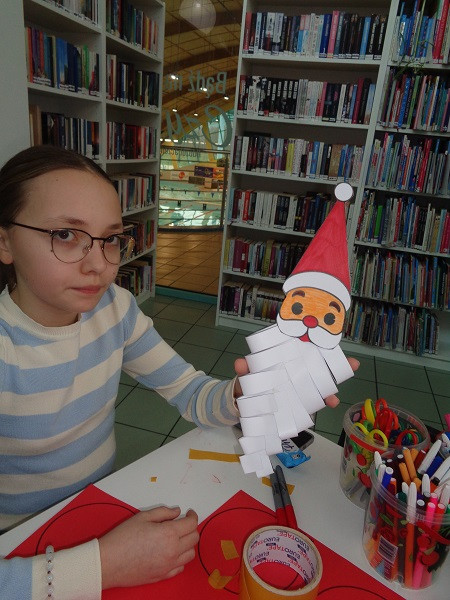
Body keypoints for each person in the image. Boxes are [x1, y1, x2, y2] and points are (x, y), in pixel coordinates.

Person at [0, 145, 358, 599]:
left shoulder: (115, 309)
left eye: (111, 239)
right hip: (21, 543)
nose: (99, 264)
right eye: (66, 235)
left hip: (101, 507)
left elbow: (189, 392)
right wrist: (104, 565)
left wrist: (249, 392)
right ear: (5, 242)